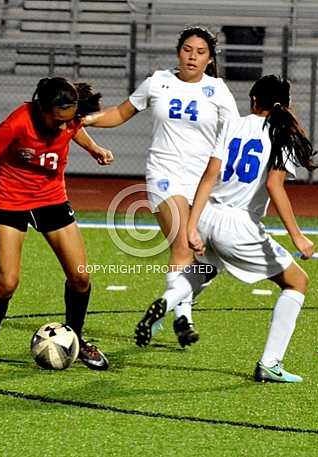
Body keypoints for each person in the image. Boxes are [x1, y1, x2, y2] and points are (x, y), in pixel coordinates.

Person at [140, 74, 318, 382]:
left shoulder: (233, 125)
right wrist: (297, 236)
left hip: (208, 214)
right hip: (238, 225)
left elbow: (209, 176)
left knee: (204, 270)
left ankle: (167, 302)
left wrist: (193, 226)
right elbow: (276, 188)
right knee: (297, 283)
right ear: (285, 106)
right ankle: (270, 363)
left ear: (252, 101)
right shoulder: (281, 134)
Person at [84, 26, 239, 347]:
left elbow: (235, 135)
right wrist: (85, 120)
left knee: (210, 260)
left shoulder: (218, 91)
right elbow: (119, 112)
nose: (192, 56)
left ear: (210, 60)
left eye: (200, 52)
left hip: (204, 182)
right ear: (178, 51)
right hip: (164, 174)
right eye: (187, 49)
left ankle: (176, 307)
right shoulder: (158, 82)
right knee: (182, 245)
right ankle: (183, 318)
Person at [0, 77, 114, 373]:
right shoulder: (19, 121)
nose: (65, 127)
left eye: (68, 121)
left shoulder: (69, 118)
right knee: (7, 282)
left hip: (52, 200)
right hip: (12, 201)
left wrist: (94, 148)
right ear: (43, 109)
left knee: (80, 278)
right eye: (59, 121)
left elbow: (76, 130)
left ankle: (75, 339)